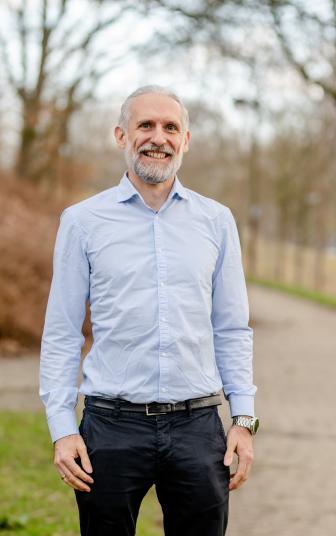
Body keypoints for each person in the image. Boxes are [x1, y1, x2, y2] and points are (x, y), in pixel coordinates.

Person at [39, 85, 259, 536]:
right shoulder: (83, 222)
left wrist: (244, 420)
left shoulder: (217, 221)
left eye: (170, 127)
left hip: (199, 428)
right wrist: (63, 429)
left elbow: (232, 328)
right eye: (145, 125)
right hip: (111, 427)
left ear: (185, 140)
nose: (158, 137)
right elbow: (61, 333)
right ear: (121, 135)